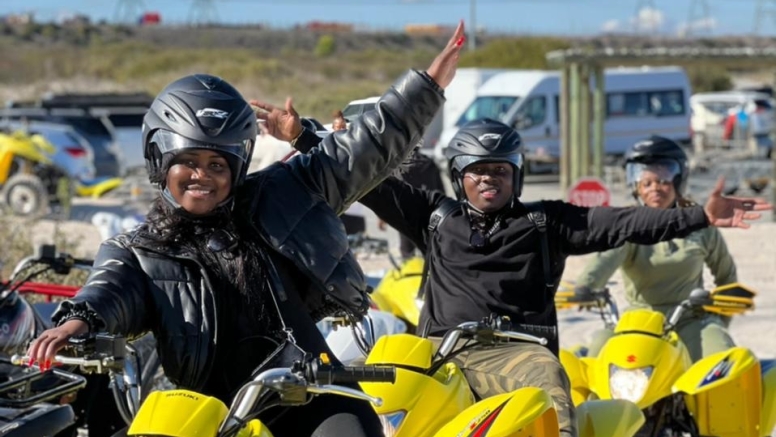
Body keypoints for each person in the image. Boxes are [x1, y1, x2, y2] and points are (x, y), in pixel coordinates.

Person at [26, 22, 466, 436]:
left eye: (217, 164)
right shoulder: (138, 250)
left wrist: (426, 87)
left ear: (237, 167)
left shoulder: (281, 195)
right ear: (161, 161)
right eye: (189, 163)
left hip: (308, 390)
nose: (203, 176)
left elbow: (362, 150)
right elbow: (107, 291)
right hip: (208, 410)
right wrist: (76, 323)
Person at [347, 118, 769, 437]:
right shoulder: (435, 216)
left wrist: (698, 215)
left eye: (501, 170)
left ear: (517, 174)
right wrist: (303, 135)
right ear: (460, 175)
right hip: (437, 350)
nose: (489, 178)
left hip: (513, 351)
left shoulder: (546, 222)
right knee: (364, 385)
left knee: (548, 380)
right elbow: (364, 180)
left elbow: (623, 222)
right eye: (478, 169)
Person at [575, 136, 739, 361]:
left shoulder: (701, 225)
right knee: (596, 355)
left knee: (721, 358)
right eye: (646, 182)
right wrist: (586, 286)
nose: (655, 189)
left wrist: (720, 319)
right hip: (640, 322)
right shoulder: (627, 225)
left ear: (679, 181)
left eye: (663, 180)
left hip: (690, 321)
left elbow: (727, 276)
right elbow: (606, 258)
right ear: (636, 187)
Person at [378, 145, 446, 260]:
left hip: (406, 213)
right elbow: (440, 190)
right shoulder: (429, 163)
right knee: (431, 249)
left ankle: (410, 272)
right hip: (429, 211)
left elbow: (389, 193)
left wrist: (382, 217)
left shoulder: (397, 165)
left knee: (407, 250)